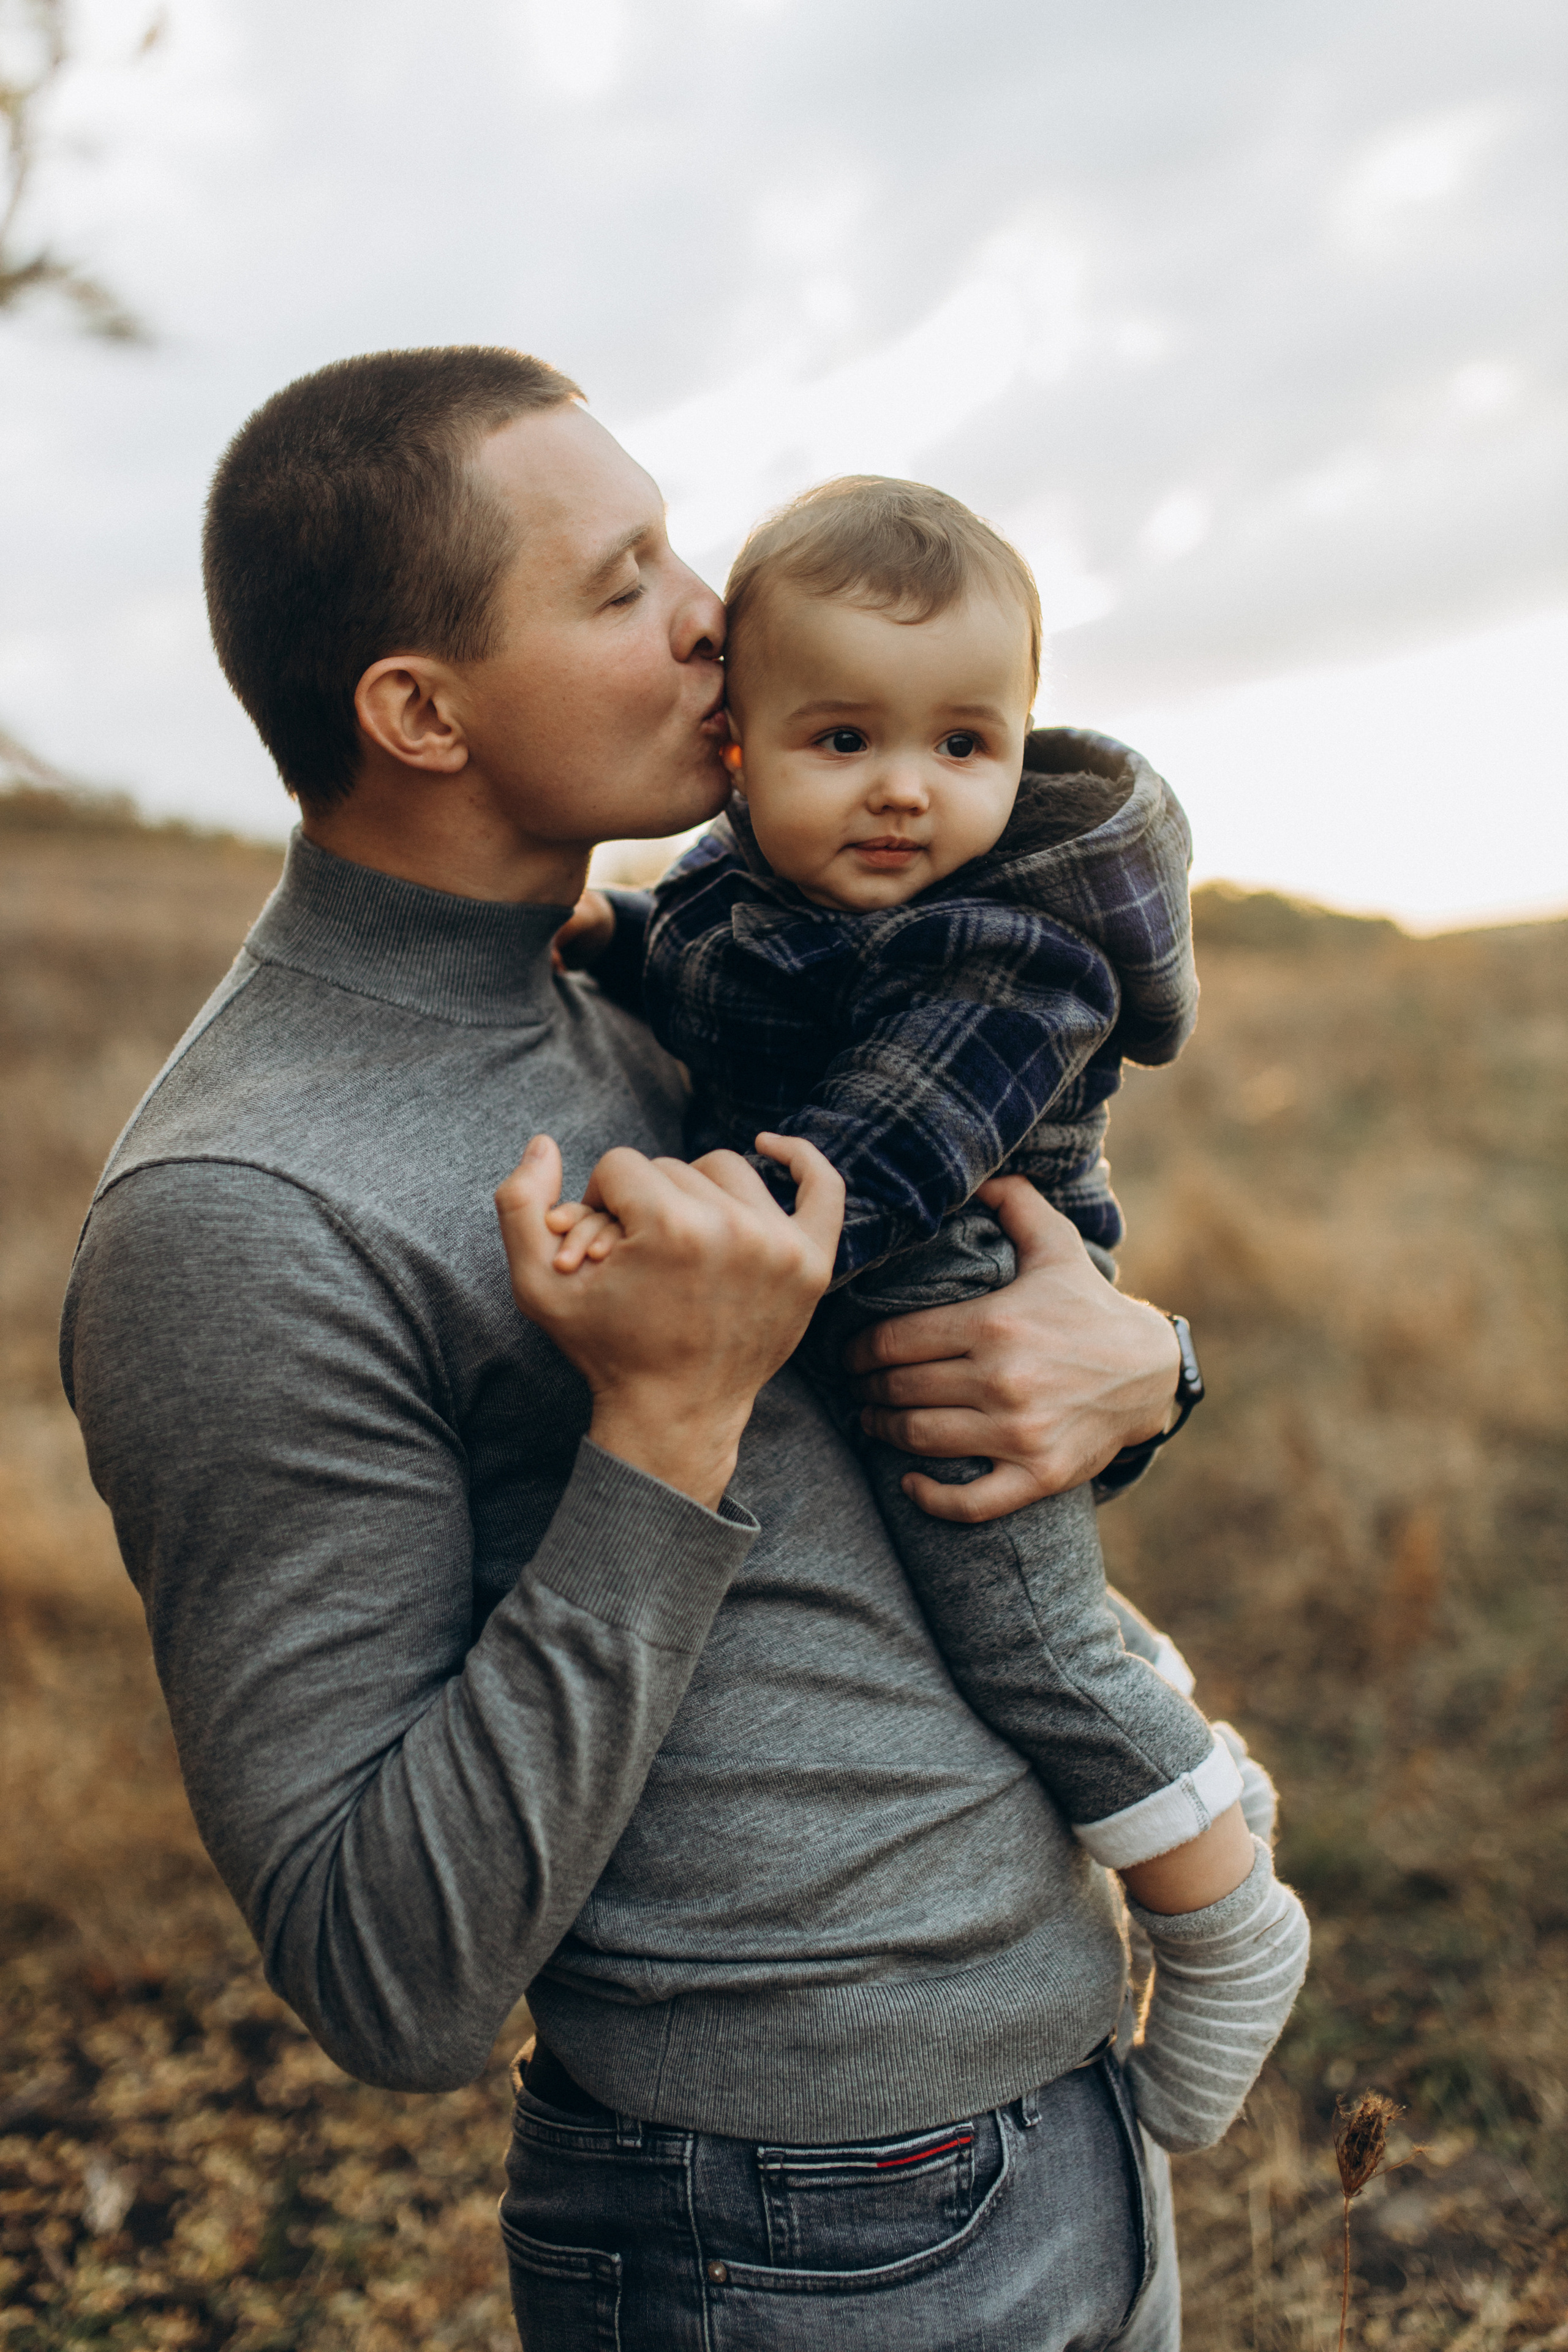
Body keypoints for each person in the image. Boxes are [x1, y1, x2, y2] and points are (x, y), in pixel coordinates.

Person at [58, 346, 1275, 2350]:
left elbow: (899, 1424)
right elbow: (387, 1979)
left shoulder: (685, 990)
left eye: (677, 553)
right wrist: (662, 1425)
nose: (716, 617)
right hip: (775, 2230)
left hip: (1077, 2100)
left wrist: (1139, 1371)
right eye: (623, 585)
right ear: (421, 712)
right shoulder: (240, 1214)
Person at [552, 472, 1308, 2157]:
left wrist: (680, 1237)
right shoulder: (769, 885)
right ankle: (1203, 1768)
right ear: (737, 745)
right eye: (844, 740)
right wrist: (614, 931)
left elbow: (873, 1160)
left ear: (1024, 743)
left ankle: (1224, 1920)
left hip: (946, 1293)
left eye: (966, 744)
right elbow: (717, 959)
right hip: (861, 1274)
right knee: (1024, 1608)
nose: (905, 788)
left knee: (1028, 1644)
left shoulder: (1009, 950)